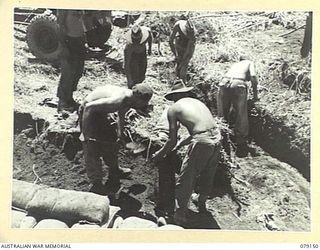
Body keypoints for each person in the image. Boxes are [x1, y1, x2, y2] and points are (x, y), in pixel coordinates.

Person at [152, 81, 221, 226]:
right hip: (217, 138)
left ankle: (180, 214)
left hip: (203, 142)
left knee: (186, 178)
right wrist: (181, 144)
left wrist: (158, 155)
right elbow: (201, 128)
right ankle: (201, 203)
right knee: (208, 173)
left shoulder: (174, 109)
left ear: (175, 95)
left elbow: (170, 141)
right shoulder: (198, 103)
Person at [79, 83, 153, 194]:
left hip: (100, 113)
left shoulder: (129, 100)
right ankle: (96, 183)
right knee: (91, 147)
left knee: (111, 141)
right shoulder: (118, 100)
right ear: (138, 99)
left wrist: (120, 134)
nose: (144, 105)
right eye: (144, 102)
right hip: (88, 113)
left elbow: (121, 115)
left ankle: (115, 169)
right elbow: (88, 107)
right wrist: (85, 133)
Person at [217, 56, 258, 157]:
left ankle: (221, 138)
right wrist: (256, 95)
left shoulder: (235, 65)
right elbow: (253, 76)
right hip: (238, 83)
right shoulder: (249, 62)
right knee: (241, 114)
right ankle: (241, 143)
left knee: (222, 114)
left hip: (224, 82)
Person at [56, 9, 86, 112]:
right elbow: (59, 26)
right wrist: (63, 46)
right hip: (68, 41)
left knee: (78, 72)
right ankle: (62, 101)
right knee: (68, 72)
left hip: (79, 40)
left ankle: (69, 97)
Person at [124, 24, 153, 88]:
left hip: (143, 53)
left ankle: (140, 84)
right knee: (135, 73)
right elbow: (126, 64)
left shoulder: (147, 34)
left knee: (143, 71)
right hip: (133, 56)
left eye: (138, 39)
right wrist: (129, 79)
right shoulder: (129, 47)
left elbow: (150, 37)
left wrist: (150, 48)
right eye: (135, 40)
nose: (137, 41)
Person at [169, 19, 196, 83]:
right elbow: (170, 40)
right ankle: (175, 80)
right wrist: (175, 54)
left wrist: (184, 60)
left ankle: (183, 81)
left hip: (189, 46)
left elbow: (188, 51)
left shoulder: (193, 36)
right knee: (178, 61)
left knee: (185, 63)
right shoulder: (178, 25)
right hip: (179, 43)